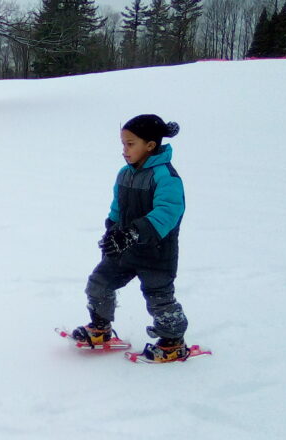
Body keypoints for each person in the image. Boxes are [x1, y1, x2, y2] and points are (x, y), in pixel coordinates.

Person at [71, 114, 188, 362]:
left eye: (130, 144)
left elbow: (168, 212)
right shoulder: (124, 174)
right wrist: (111, 232)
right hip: (124, 250)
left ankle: (173, 341)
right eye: (123, 144)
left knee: (160, 299)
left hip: (156, 253)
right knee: (99, 284)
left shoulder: (166, 177)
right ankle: (100, 328)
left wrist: (134, 233)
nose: (124, 150)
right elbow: (117, 208)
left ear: (150, 145)